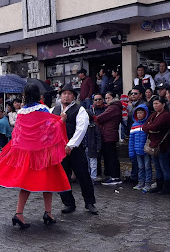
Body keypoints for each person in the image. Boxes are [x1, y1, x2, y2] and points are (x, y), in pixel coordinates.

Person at [0, 84, 70, 228]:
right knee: (48, 183)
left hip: (26, 153)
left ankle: (19, 214)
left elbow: (18, 134)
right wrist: (62, 121)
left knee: (25, 185)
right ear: (39, 95)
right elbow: (49, 129)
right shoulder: (43, 109)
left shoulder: (21, 112)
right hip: (43, 154)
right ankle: (48, 212)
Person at [52, 84, 98, 215]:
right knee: (62, 177)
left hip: (75, 149)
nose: (66, 96)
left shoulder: (80, 109)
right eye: (64, 93)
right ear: (60, 96)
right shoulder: (54, 110)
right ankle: (68, 203)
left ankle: (89, 203)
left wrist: (71, 145)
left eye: (69, 94)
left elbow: (81, 128)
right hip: (59, 149)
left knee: (83, 175)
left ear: (73, 97)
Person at [142, 96, 170, 195]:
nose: (155, 106)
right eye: (154, 104)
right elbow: (144, 127)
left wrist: (151, 128)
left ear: (163, 104)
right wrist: (151, 129)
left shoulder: (165, 115)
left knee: (164, 167)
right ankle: (159, 185)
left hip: (162, 145)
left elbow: (156, 126)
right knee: (157, 166)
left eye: (157, 103)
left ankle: (166, 187)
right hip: (153, 144)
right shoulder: (153, 115)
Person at [94, 91, 123, 185]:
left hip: (109, 135)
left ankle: (114, 176)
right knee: (109, 156)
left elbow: (100, 118)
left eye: (108, 98)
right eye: (106, 98)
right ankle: (112, 175)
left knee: (111, 157)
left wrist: (96, 118)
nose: (107, 100)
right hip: (108, 134)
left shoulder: (113, 107)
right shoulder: (113, 107)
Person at [128, 104, 151, 193]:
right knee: (140, 167)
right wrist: (131, 152)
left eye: (141, 113)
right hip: (137, 151)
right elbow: (131, 140)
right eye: (138, 113)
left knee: (147, 167)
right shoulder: (134, 125)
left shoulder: (147, 124)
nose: (139, 115)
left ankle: (148, 182)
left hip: (146, 151)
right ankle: (141, 182)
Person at [87, 93, 106, 182]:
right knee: (87, 163)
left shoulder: (93, 125)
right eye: (96, 100)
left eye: (99, 99)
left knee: (93, 164)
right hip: (86, 146)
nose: (98, 101)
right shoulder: (82, 126)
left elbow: (98, 136)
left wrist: (98, 147)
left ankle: (93, 177)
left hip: (93, 146)